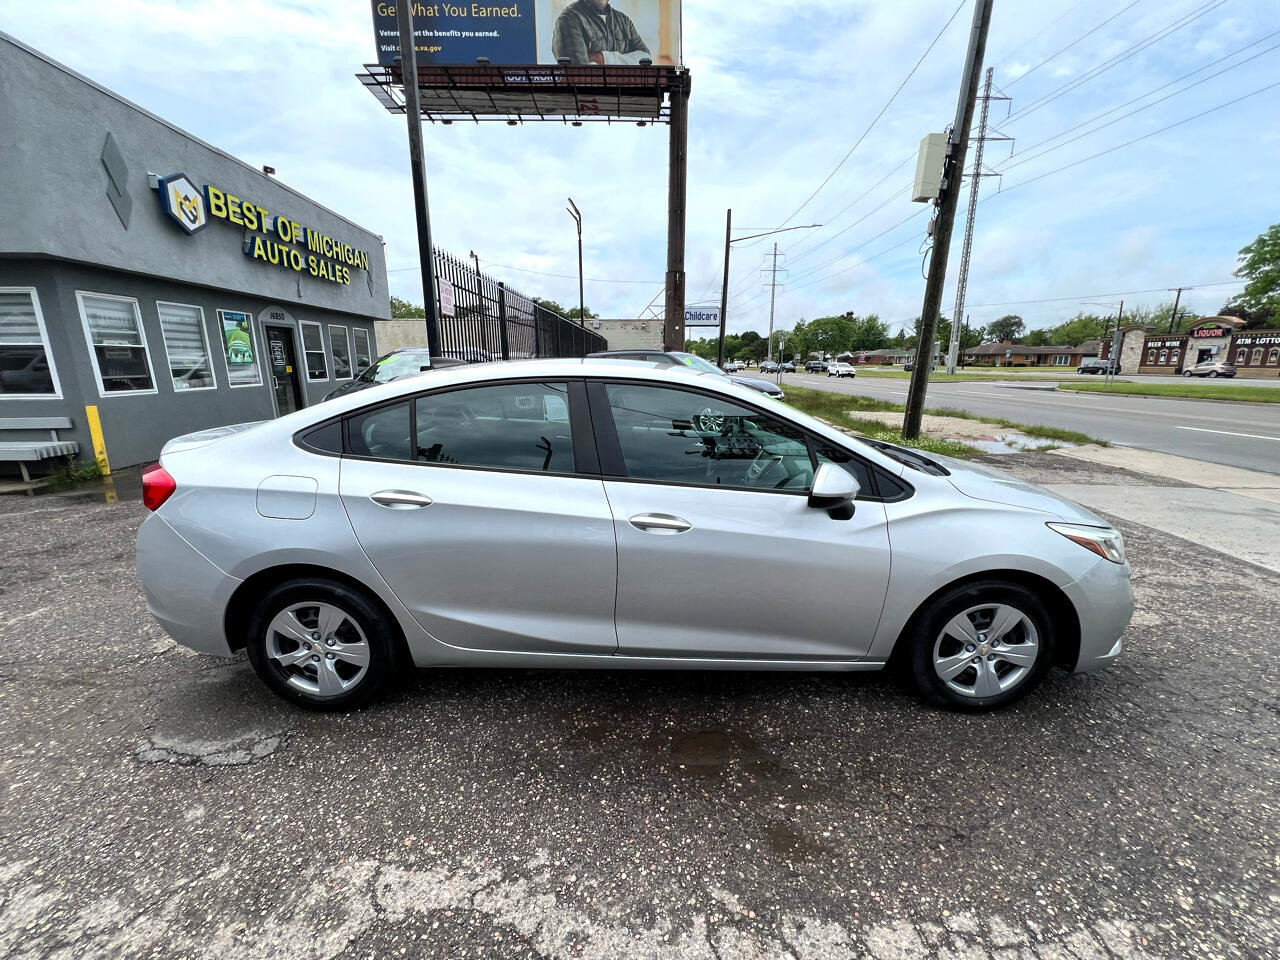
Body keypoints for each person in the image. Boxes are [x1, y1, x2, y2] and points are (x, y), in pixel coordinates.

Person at [551, 0, 650, 66]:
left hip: (624, 95)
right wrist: (628, 61)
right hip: (589, 96)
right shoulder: (569, 20)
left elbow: (646, 58)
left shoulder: (624, 20)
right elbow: (580, 73)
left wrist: (605, 58)